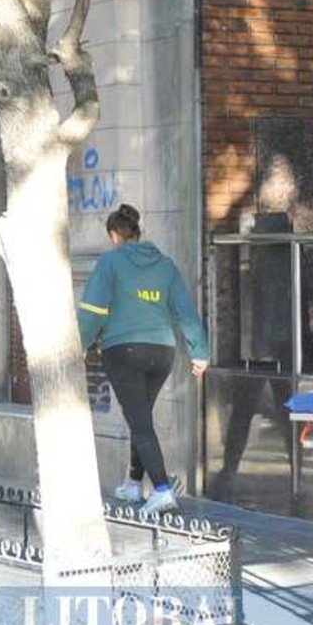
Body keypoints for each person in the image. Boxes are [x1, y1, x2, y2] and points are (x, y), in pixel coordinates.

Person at [77, 204, 209, 517]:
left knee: (139, 421)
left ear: (114, 235)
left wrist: (81, 344)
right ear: (137, 232)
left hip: (123, 351)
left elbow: (94, 310)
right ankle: (134, 484)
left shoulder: (110, 262)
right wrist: (200, 352)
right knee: (142, 417)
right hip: (162, 352)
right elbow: (185, 312)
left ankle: (162, 490)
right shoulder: (165, 265)